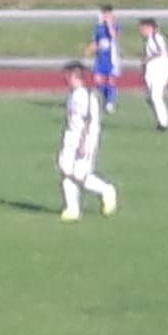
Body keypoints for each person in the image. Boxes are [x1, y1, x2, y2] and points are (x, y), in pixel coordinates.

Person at [57, 61, 118, 222]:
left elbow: (89, 120)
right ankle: (72, 209)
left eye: (67, 75)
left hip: (84, 139)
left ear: (74, 75)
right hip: (70, 137)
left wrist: (84, 143)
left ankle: (107, 190)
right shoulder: (72, 95)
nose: (65, 79)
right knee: (66, 171)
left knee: (80, 175)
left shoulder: (86, 96)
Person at [83, 6, 120, 113]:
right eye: (104, 14)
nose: (106, 16)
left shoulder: (116, 26)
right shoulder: (98, 28)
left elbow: (114, 36)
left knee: (111, 79)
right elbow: (96, 42)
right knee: (97, 79)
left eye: (108, 14)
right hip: (100, 58)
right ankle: (107, 97)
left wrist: (109, 24)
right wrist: (89, 49)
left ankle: (110, 102)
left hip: (112, 58)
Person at [139, 18, 168, 131]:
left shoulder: (156, 38)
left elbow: (160, 51)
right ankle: (162, 119)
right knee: (149, 97)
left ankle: (164, 123)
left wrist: (147, 59)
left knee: (156, 96)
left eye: (143, 28)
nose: (141, 31)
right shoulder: (149, 39)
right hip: (152, 70)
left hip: (159, 70)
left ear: (149, 28)